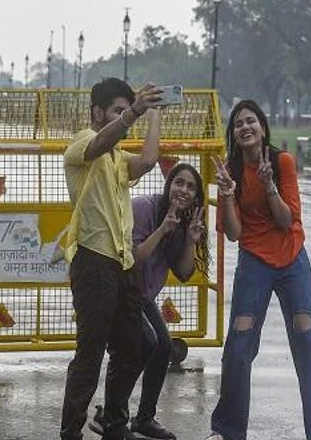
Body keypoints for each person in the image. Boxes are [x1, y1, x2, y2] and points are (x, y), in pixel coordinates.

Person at [207, 99, 311, 440]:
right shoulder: (231, 171)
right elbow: (234, 233)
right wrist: (227, 194)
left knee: (307, 341)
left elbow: (285, 220)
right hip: (254, 261)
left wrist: (269, 186)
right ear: (234, 134)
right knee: (239, 346)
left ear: (263, 128)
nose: (245, 127)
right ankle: (227, 430)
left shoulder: (282, 163)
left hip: (292, 257)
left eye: (251, 121)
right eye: (238, 124)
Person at [60, 77, 163, 440]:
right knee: (89, 355)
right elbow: (101, 143)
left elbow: (148, 160)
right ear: (97, 112)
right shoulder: (83, 142)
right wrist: (134, 110)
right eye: (117, 110)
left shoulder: (118, 157)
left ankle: (114, 423)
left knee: (138, 344)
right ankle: (71, 432)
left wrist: (154, 112)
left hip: (122, 264)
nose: (125, 117)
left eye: (126, 109)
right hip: (93, 262)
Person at [89, 163, 210, 440]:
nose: (184, 190)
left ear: (196, 196)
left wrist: (190, 240)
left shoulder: (184, 222)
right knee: (143, 343)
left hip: (142, 296)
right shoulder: (145, 207)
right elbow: (132, 260)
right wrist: (163, 230)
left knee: (163, 345)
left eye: (191, 187)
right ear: (168, 185)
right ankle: (112, 419)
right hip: (119, 290)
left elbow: (184, 273)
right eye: (179, 182)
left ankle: (143, 419)